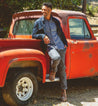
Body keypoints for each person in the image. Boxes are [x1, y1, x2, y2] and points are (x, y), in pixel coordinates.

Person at [32, 2, 68, 102]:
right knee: (56, 58)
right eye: (42, 10)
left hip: (60, 46)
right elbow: (33, 35)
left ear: (50, 10)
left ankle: (64, 92)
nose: (43, 11)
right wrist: (43, 36)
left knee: (62, 69)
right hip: (50, 46)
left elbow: (60, 33)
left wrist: (65, 43)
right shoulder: (38, 22)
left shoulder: (56, 21)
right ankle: (52, 71)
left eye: (46, 10)